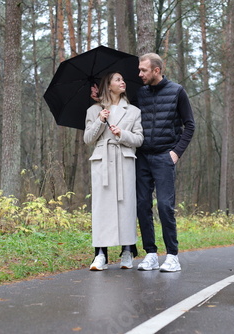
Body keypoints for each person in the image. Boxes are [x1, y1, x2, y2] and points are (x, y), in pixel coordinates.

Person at [135, 53, 195, 272]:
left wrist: (176, 153)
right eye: (140, 70)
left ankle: (172, 256)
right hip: (142, 157)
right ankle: (150, 253)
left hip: (164, 156)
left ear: (156, 71)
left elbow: (190, 125)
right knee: (142, 205)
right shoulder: (139, 93)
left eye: (143, 70)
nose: (139, 74)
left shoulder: (177, 92)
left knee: (164, 206)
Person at [84, 72, 144, 271]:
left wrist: (122, 134)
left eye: (122, 79)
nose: (122, 81)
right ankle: (100, 254)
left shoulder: (133, 111)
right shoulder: (94, 110)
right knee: (102, 209)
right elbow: (88, 139)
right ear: (108, 86)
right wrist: (100, 120)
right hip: (102, 162)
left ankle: (127, 250)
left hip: (124, 161)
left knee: (126, 207)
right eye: (118, 79)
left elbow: (139, 139)